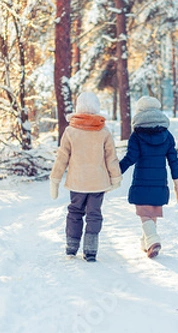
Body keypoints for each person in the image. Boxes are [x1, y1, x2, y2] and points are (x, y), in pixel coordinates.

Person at [50, 92, 122, 262]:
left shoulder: (70, 131)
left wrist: (55, 179)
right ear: (96, 108)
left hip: (77, 182)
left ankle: (71, 248)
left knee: (74, 212)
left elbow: (62, 158)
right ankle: (90, 250)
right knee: (94, 215)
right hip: (98, 183)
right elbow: (111, 157)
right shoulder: (104, 132)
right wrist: (116, 177)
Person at [119, 96, 178, 258]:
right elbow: (174, 161)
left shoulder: (137, 135)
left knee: (144, 213)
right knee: (152, 212)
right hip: (159, 182)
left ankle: (153, 240)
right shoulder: (167, 135)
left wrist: (115, 171)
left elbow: (130, 158)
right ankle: (146, 243)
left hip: (141, 181)